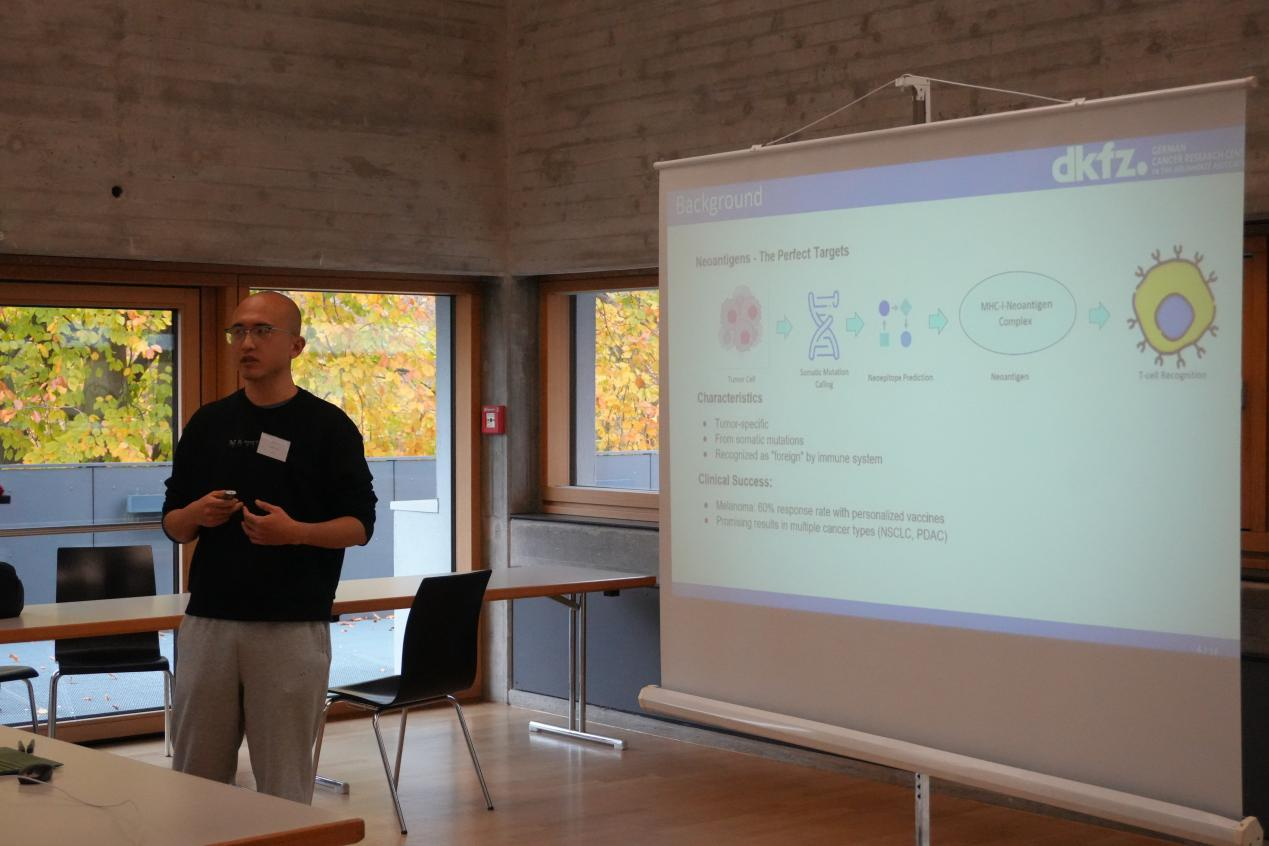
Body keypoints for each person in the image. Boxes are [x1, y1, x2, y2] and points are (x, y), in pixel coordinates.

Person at [161, 291, 376, 803]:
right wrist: (197, 514)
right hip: (209, 622)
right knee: (196, 778)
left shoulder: (328, 427)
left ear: (296, 346)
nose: (246, 343)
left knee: (283, 783)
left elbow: (360, 525)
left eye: (261, 331)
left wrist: (295, 532)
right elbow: (173, 524)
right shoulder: (208, 423)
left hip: (290, 626)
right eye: (238, 331)